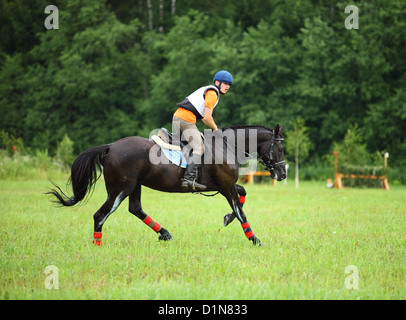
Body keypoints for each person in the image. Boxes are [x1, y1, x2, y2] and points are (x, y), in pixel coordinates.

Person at [172, 70, 233, 191]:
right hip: (185, 120)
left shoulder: (210, 91)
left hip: (181, 118)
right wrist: (216, 129)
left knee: (191, 146)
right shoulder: (213, 93)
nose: (228, 87)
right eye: (225, 83)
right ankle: (188, 179)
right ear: (217, 82)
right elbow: (207, 118)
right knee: (199, 147)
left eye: (229, 84)